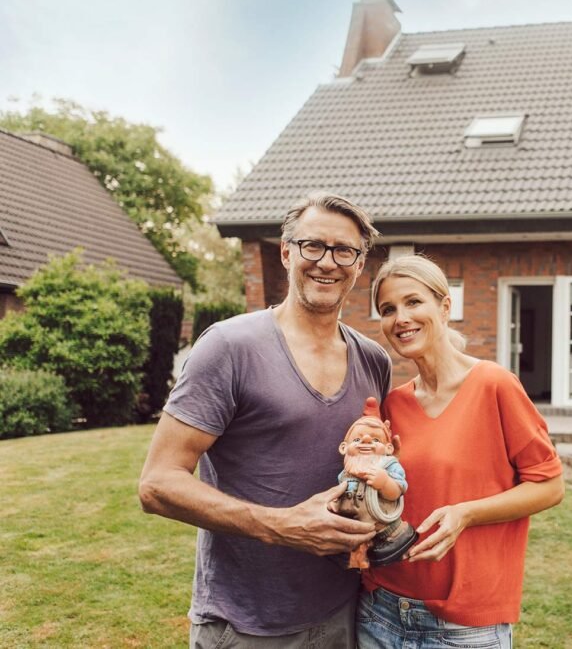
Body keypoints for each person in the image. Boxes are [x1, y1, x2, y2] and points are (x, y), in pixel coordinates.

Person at [138, 193, 392, 647]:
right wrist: (281, 526)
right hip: (245, 624)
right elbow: (157, 484)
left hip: (344, 615)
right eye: (313, 245)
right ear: (286, 252)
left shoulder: (374, 360)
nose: (327, 262)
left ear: (359, 265)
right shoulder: (229, 347)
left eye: (344, 251)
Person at [359, 254, 564, 649]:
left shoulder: (494, 385)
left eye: (413, 302)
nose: (401, 318)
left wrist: (466, 513)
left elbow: (550, 487)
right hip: (380, 612)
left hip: (464, 627)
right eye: (388, 309)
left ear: (445, 306)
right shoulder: (394, 404)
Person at [328, 397, 417, 569]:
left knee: (389, 535)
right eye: (357, 440)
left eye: (376, 440)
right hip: (356, 523)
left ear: (389, 449)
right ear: (344, 448)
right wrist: (335, 503)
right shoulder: (346, 473)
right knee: (351, 542)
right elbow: (341, 492)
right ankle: (357, 557)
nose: (366, 440)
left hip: (383, 524)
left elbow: (398, 491)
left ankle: (393, 542)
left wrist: (384, 483)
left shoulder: (389, 466)